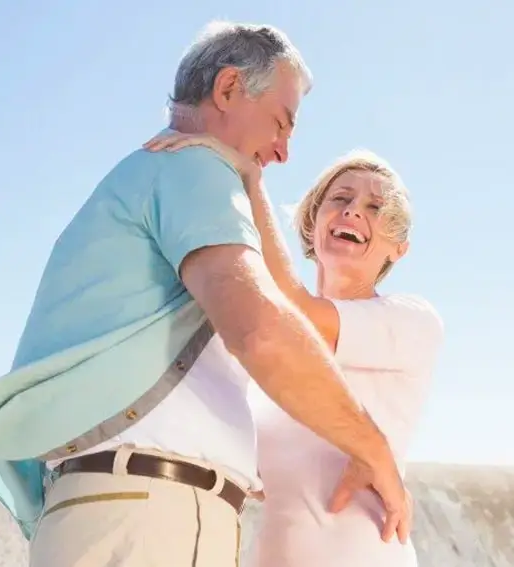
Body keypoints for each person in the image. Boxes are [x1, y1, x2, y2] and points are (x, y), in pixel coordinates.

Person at [0, 21, 412, 567]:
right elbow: (264, 329)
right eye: (281, 123)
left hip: (101, 509)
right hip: (153, 513)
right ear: (229, 88)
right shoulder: (196, 167)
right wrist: (374, 450)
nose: (284, 151)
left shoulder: (144, 174)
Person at [143, 131, 444, 567]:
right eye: (340, 198)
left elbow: (292, 309)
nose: (353, 211)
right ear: (312, 222)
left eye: (375, 208)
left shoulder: (412, 321)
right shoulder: (270, 368)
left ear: (399, 248)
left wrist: (251, 178)